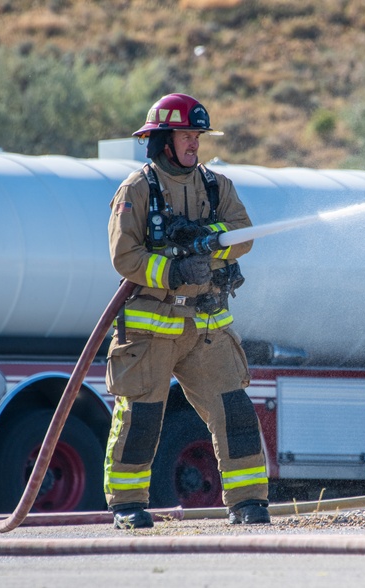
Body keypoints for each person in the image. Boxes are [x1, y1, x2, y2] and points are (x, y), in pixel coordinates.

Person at [103, 93, 270, 529]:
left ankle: (249, 503)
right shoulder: (137, 190)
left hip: (207, 324)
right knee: (141, 417)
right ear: (161, 141)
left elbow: (243, 234)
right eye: (186, 136)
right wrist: (173, 270)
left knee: (235, 412)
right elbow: (124, 256)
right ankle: (127, 505)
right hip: (151, 330)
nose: (195, 144)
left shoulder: (216, 186)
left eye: (198, 136)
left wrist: (206, 244)